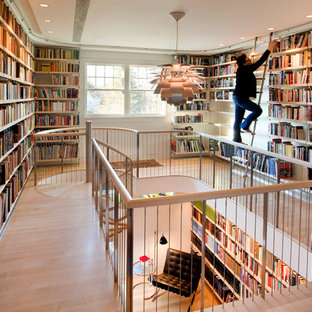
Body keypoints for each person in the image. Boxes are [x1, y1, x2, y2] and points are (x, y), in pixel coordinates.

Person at [233, 40, 278, 143]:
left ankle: (237, 139)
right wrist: (269, 48)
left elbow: (256, 63)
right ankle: (245, 125)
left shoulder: (242, 70)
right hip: (240, 97)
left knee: (238, 119)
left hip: (238, 97)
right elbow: (260, 62)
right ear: (245, 64)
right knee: (258, 110)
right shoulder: (245, 69)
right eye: (248, 60)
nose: (250, 61)